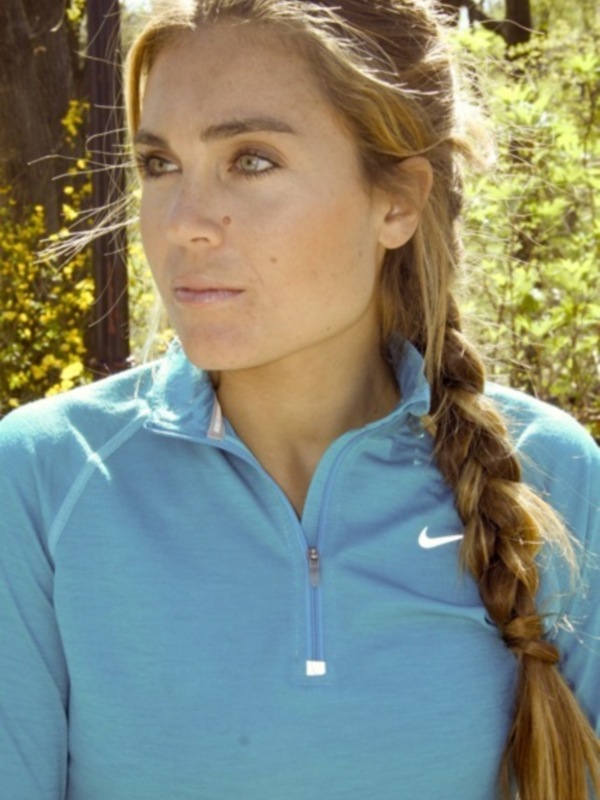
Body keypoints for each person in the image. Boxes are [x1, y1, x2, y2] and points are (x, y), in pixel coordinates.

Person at [0, 1, 598, 798]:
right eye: (158, 165)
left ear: (397, 201)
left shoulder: (553, 477)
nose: (182, 224)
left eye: (251, 161)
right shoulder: (43, 481)